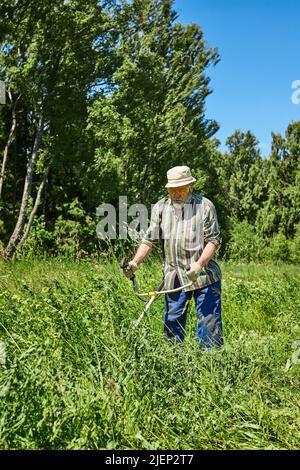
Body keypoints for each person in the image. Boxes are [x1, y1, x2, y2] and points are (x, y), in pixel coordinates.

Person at [123, 165, 223, 348]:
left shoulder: (205, 206)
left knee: (209, 324)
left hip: (204, 276)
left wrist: (199, 265)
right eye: (172, 190)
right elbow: (149, 239)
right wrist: (135, 262)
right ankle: (174, 363)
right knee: (172, 326)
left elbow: (214, 241)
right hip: (174, 277)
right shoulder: (161, 207)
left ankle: (211, 364)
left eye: (181, 189)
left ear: (190, 187)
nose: (177, 194)